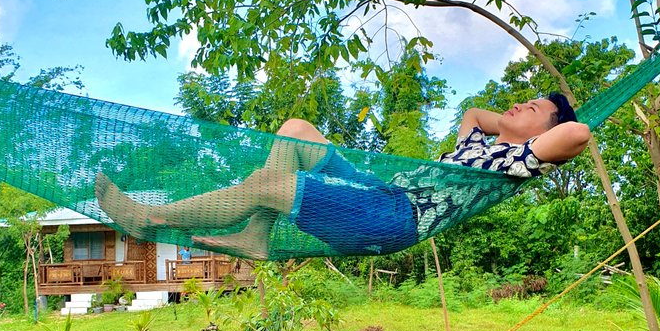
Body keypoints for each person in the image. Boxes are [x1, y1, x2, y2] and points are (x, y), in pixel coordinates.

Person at [94, 95, 591, 259]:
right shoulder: (476, 147)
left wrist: (545, 122)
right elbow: (474, 112)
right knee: (295, 131)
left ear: (542, 134)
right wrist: (514, 119)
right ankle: (255, 235)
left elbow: (578, 133)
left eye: (531, 108)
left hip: (396, 217)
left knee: (264, 187)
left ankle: (146, 219)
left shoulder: (518, 162)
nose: (516, 105)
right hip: (383, 191)